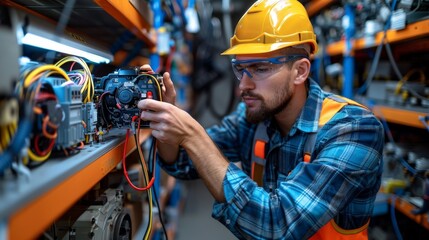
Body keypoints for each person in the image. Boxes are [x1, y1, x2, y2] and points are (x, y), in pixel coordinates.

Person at [138, 0, 384, 239]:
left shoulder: (354, 129)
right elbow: (182, 161)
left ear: (300, 71)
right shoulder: (252, 118)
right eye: (240, 69)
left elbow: (276, 227)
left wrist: (192, 133)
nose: (243, 85)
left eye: (260, 68)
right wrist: (164, 121)